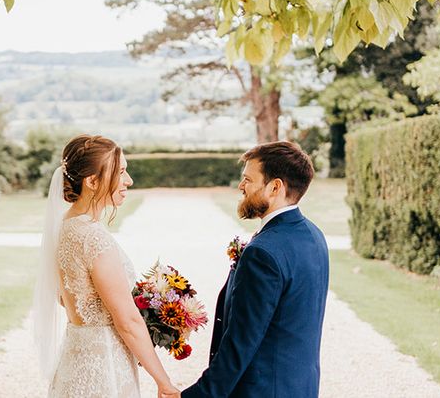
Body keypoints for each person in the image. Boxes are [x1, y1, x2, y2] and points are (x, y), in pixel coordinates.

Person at [33, 134, 180, 398]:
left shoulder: (65, 226)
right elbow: (128, 322)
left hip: (74, 361)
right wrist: (164, 382)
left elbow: (66, 299)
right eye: (121, 172)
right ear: (92, 181)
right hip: (104, 371)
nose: (128, 181)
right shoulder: (92, 237)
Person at [183, 141, 329, 398]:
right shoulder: (313, 236)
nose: (241, 186)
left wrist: (198, 395)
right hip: (300, 388)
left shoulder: (263, 253)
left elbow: (240, 343)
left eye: (248, 180)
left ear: (275, 187)